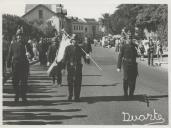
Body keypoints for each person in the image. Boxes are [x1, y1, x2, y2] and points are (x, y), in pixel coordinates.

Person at [7, 29, 29, 102]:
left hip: (24, 65)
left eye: (21, 35)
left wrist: (30, 55)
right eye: (18, 35)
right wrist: (8, 65)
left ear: (23, 37)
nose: (20, 37)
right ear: (16, 36)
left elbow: (32, 54)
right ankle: (16, 94)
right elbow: (10, 55)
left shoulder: (27, 44)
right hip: (15, 65)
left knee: (24, 82)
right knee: (15, 81)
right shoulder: (13, 44)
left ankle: (23, 96)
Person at [63, 34, 86, 101]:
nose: (75, 41)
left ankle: (77, 96)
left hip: (78, 67)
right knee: (70, 82)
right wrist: (63, 68)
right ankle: (70, 95)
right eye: (74, 40)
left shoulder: (80, 48)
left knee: (78, 82)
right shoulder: (68, 48)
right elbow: (65, 58)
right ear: (71, 40)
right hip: (70, 67)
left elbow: (85, 58)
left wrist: (87, 57)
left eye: (76, 40)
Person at [117, 33, 138, 98]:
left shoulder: (135, 46)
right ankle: (125, 93)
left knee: (133, 80)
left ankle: (131, 93)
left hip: (133, 64)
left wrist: (139, 51)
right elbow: (120, 56)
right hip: (126, 64)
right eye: (128, 38)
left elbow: (137, 55)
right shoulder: (123, 46)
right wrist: (118, 67)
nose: (130, 39)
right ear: (126, 39)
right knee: (126, 79)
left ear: (132, 39)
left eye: (131, 38)